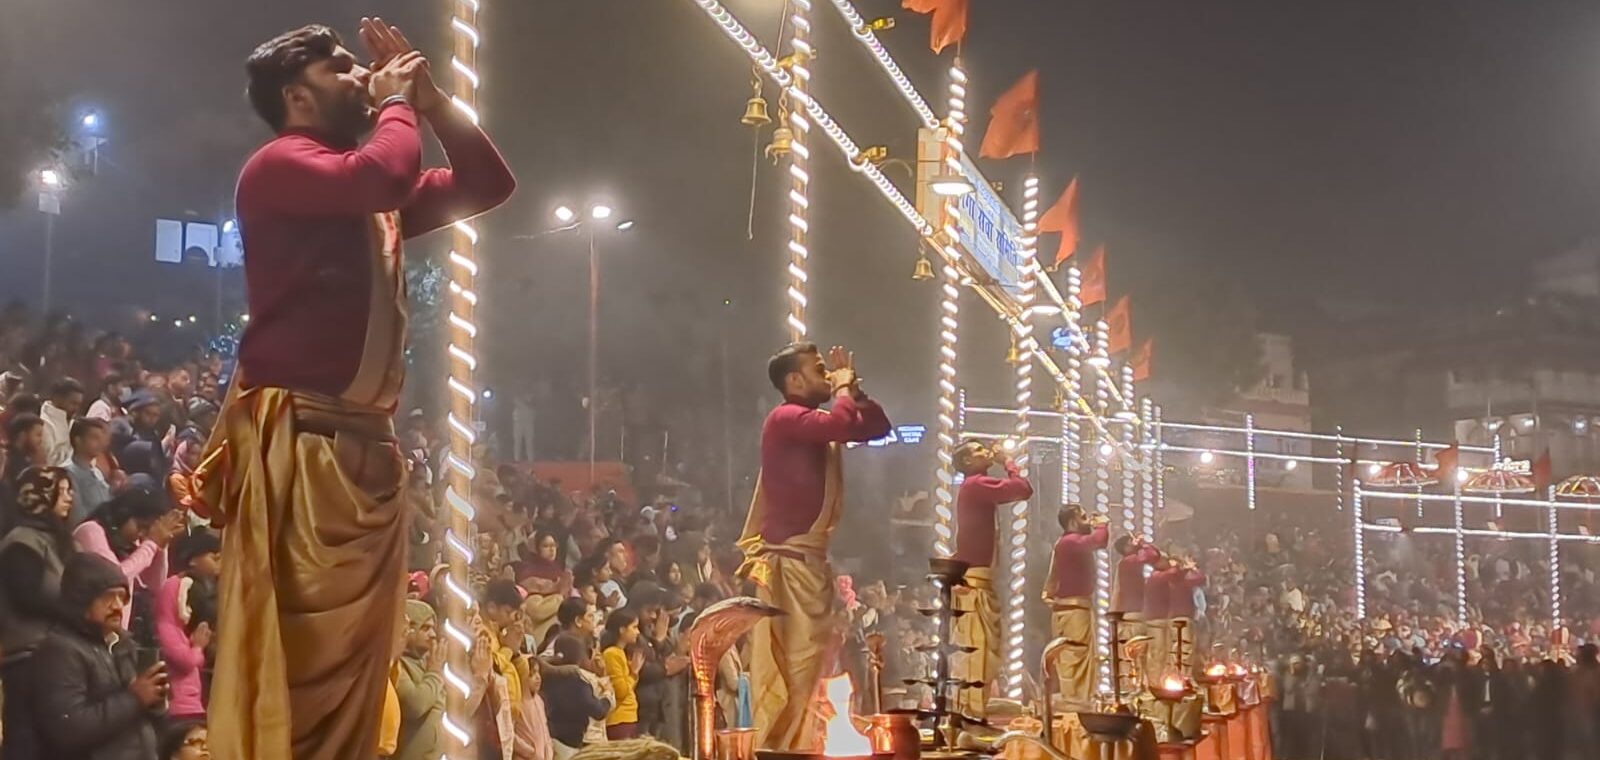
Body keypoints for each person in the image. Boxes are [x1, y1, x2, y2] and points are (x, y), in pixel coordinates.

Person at [195, 17, 514, 759]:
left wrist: (433, 105)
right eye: (339, 67)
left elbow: (489, 184)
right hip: (305, 447)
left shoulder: (366, 190)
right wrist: (400, 103)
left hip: (365, 447)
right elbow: (382, 174)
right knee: (308, 673)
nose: (360, 75)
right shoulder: (281, 165)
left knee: (361, 674)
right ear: (295, 93)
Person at [738, 343, 890, 751]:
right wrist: (842, 391)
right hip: (790, 566)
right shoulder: (785, 418)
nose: (828, 375)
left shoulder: (812, 421)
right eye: (819, 370)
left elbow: (876, 427)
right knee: (798, 666)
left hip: (811, 562)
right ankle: (786, 749)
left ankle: (803, 744)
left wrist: (853, 393)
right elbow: (841, 427)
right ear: (794, 380)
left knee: (816, 662)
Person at [29, 552, 167, 759]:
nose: (118, 606)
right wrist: (135, 698)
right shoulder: (59, 650)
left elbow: (141, 722)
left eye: (122, 597)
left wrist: (156, 702)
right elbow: (68, 728)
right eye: (108, 597)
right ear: (81, 602)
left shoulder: (122, 644)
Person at [948, 438, 1033, 718]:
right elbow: (1022, 489)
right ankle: (971, 714)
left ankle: (974, 711)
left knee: (984, 653)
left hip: (979, 579)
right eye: (979, 450)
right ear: (968, 462)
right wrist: (1008, 462)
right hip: (975, 583)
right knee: (978, 653)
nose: (987, 452)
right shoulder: (976, 484)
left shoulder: (976, 486)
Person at [0, 466, 76, 757]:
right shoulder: (21, 541)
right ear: (43, 494)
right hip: (29, 659)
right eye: (63, 490)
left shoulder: (65, 543)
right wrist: (75, 611)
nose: (69, 498)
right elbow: (27, 596)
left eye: (71, 491)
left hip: (61, 657)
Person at [72, 486, 184, 633]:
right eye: (141, 526)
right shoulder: (91, 531)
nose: (142, 534)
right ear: (124, 513)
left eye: (148, 530)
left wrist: (161, 546)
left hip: (116, 633)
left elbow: (154, 584)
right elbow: (113, 578)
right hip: (86, 630)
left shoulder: (129, 543)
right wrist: (151, 543)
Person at [1043, 506, 1108, 710]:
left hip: (1072, 609)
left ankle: (1077, 701)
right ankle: (1076, 703)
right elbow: (1099, 541)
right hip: (1073, 611)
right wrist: (1101, 525)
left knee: (1073, 656)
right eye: (1083, 517)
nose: (1088, 521)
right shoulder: (1070, 542)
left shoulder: (1065, 543)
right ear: (1072, 522)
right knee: (1074, 656)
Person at [154, 531, 222, 722]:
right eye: (213, 557)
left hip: (194, 700)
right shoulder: (167, 628)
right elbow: (185, 661)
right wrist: (198, 646)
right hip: (179, 707)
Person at [543, 634, 613, 760]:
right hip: (570, 741)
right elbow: (598, 711)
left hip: (550, 737)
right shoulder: (578, 681)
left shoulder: (546, 677)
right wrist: (607, 694)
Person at [394, 600, 447, 760]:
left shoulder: (428, 663)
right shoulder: (397, 665)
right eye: (425, 628)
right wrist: (434, 673)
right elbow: (414, 706)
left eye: (433, 628)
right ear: (408, 629)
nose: (433, 635)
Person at [1109, 534, 1161, 687]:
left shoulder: (1123, 564)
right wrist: (1143, 544)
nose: (1135, 543)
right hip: (1133, 614)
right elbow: (1154, 555)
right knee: (1137, 656)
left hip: (1129, 613)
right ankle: (1136, 688)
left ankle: (1132, 687)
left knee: (1130, 657)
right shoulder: (1131, 561)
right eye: (1132, 541)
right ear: (1126, 547)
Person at [63, 418, 115, 525]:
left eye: (101, 438)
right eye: (94, 438)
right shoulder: (67, 473)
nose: (100, 443)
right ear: (78, 440)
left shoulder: (97, 472)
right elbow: (77, 516)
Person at [602, 609, 644, 740]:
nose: (638, 632)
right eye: (634, 627)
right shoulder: (612, 653)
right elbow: (621, 691)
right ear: (622, 629)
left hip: (628, 717)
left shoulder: (620, 652)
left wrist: (632, 675)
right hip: (619, 719)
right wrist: (634, 674)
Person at [39, 377, 84, 466]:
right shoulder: (43, 423)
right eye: (73, 403)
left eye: (79, 405)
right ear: (57, 398)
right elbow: (48, 461)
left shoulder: (73, 422)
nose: (76, 409)